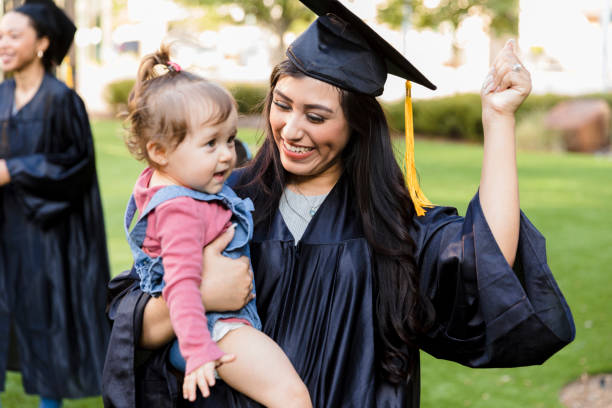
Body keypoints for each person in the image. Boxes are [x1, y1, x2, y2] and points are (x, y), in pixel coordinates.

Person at [102, 0, 575, 407]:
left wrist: (497, 119)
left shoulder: (392, 226)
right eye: (282, 104)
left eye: (316, 115)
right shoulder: (225, 200)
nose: (290, 129)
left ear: (357, 126)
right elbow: (128, 324)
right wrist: (200, 294)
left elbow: (486, 259)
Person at [117, 46, 311, 406]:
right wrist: (198, 351)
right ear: (159, 151)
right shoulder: (180, 211)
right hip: (216, 330)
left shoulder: (165, 183)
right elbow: (182, 285)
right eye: (210, 143)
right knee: (292, 397)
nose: (227, 154)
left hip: (212, 328)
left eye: (229, 139)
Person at [0, 1, 111, 408]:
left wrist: (16, 169)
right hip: (7, 230)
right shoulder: (1, 96)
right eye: (1, 35)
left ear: (44, 42)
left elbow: (76, 167)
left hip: (50, 236)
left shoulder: (62, 101)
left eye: (14, 35)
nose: (4, 43)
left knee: (49, 323)